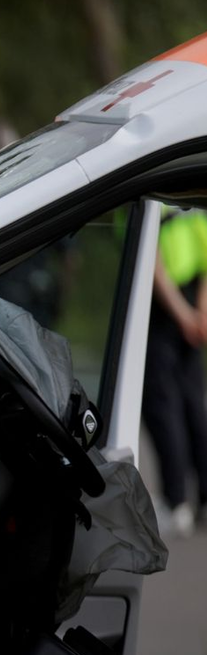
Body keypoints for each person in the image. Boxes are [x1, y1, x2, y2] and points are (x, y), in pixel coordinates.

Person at [141, 207, 207, 538]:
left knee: (162, 405)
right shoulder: (188, 194)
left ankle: (176, 499)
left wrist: (183, 316)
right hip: (193, 301)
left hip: (162, 304)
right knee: (194, 402)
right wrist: (200, 313)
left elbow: (147, 258)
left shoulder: (147, 183)